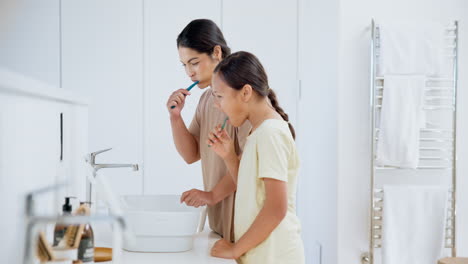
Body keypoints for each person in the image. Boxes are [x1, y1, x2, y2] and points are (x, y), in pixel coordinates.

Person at [207, 51, 305, 263]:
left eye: (220, 96)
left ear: (245, 93)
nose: (217, 105)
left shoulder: (270, 133)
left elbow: (276, 207)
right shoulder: (259, 132)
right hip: (261, 254)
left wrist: (235, 250)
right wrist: (229, 157)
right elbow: (251, 191)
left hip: (274, 256)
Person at [166, 19, 250, 242]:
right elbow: (191, 155)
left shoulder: (243, 97)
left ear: (216, 52)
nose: (189, 73)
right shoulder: (206, 99)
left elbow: (247, 165)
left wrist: (211, 195)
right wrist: (175, 118)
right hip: (220, 225)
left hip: (244, 226)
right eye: (184, 65)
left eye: (194, 62)